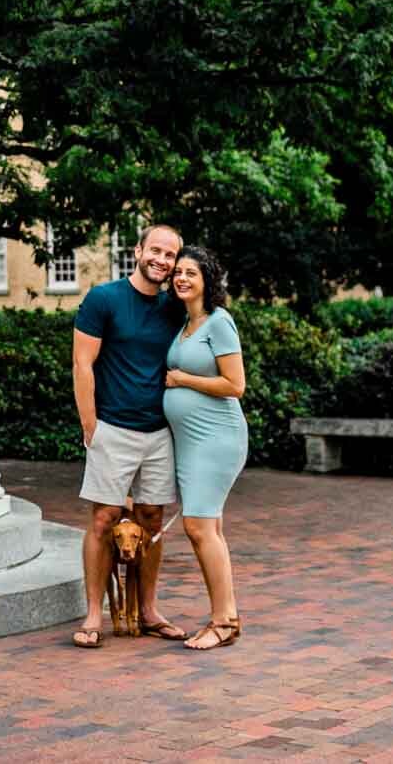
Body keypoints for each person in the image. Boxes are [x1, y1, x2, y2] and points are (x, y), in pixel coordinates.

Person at [69, 223, 189, 648]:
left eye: (170, 255)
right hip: (113, 428)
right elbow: (83, 365)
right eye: (155, 250)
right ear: (138, 250)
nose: (161, 259)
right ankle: (92, 617)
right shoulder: (105, 299)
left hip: (159, 432)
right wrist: (90, 426)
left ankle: (149, 611)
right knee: (103, 520)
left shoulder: (176, 307)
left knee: (152, 521)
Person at [162, 245, 248, 650]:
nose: (181, 278)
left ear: (206, 280)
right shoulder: (185, 326)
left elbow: (235, 385)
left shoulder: (219, 322)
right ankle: (225, 616)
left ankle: (224, 621)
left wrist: (182, 381)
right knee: (206, 527)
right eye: (178, 272)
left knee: (198, 526)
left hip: (216, 438)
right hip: (192, 441)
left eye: (191, 273)